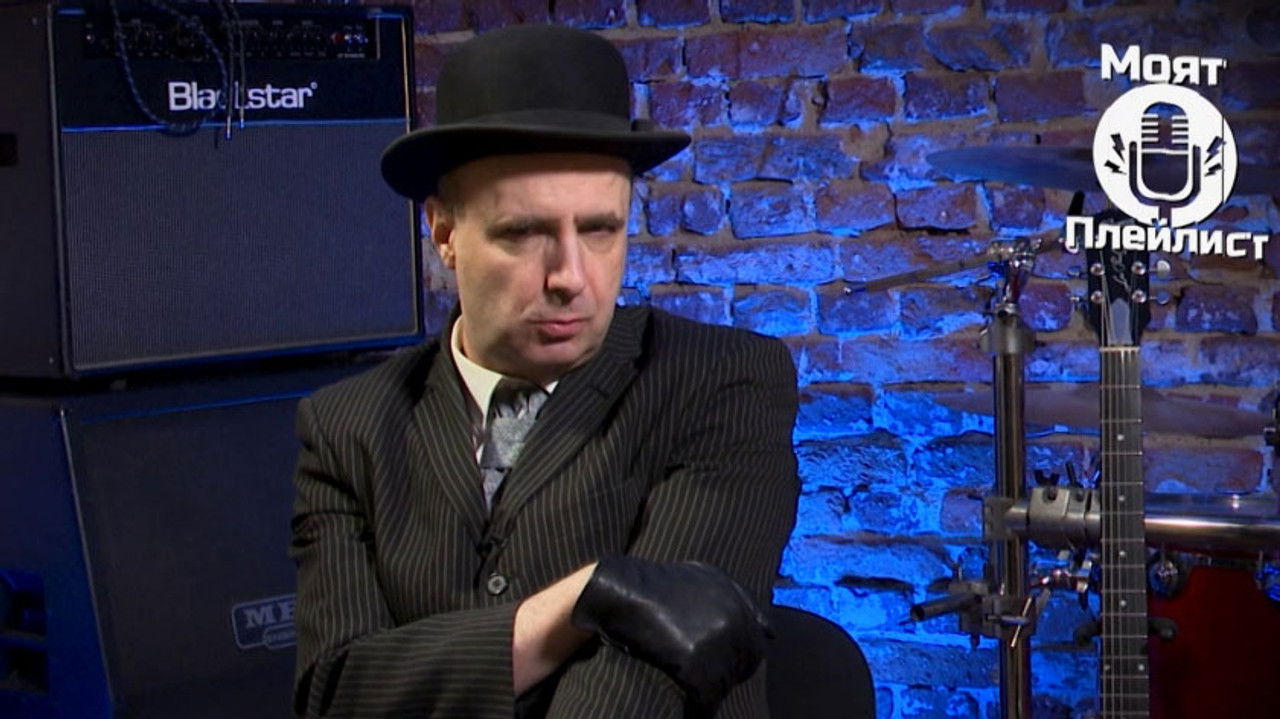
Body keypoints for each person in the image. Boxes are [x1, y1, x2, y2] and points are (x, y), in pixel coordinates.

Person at [289, 24, 799, 718]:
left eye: (600, 229)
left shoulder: (722, 382)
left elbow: (647, 676)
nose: (570, 277)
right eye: (524, 232)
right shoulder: (346, 427)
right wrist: (581, 600)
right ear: (444, 232)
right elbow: (336, 693)